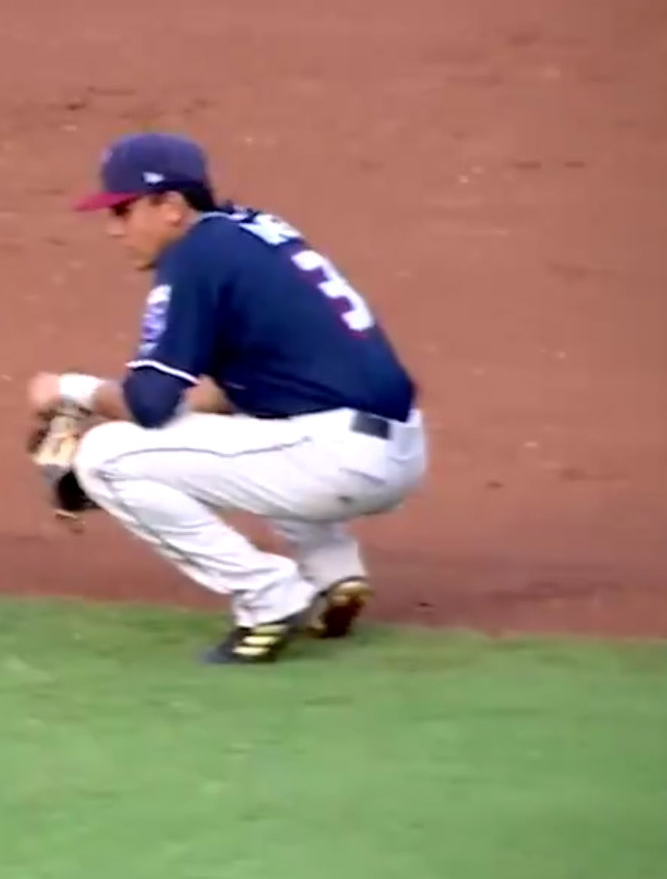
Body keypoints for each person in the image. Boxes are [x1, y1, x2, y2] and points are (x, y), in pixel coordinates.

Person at [29, 131, 428, 665]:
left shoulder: (193, 259)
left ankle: (269, 599)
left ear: (169, 206)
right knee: (258, 423)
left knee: (105, 457)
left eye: (123, 211)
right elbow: (228, 390)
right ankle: (335, 574)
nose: (113, 228)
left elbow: (148, 406)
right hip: (396, 448)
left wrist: (70, 391)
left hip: (337, 461)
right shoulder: (254, 233)